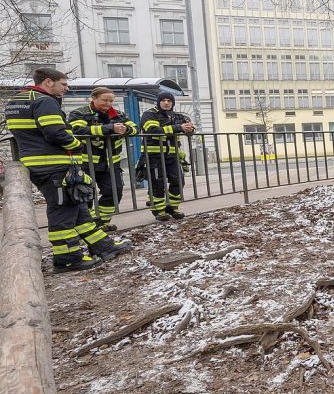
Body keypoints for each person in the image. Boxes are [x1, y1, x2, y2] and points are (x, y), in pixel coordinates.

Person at [5, 68, 132, 272]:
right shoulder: (44, 101)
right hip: (53, 164)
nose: (67, 88)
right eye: (63, 84)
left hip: (39, 162)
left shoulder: (16, 101)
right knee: (62, 210)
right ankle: (67, 257)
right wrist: (77, 145)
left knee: (78, 207)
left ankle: (103, 246)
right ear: (48, 82)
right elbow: (56, 133)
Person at [68, 87, 138, 232]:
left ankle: (100, 221)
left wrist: (125, 129)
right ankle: (86, 226)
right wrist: (108, 129)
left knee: (115, 191)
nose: (108, 104)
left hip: (111, 162)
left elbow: (135, 128)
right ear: (93, 98)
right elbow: (77, 131)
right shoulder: (79, 113)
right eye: (104, 100)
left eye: (111, 100)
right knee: (86, 194)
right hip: (86, 163)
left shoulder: (117, 114)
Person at [140, 92, 195, 221]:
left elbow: (191, 129)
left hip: (172, 155)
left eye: (169, 101)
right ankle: (159, 210)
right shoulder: (149, 114)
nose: (166, 103)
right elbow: (152, 130)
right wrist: (178, 127)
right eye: (163, 100)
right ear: (158, 102)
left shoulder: (177, 116)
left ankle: (172, 207)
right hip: (154, 156)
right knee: (157, 183)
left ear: (172, 103)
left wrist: (189, 129)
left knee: (178, 181)